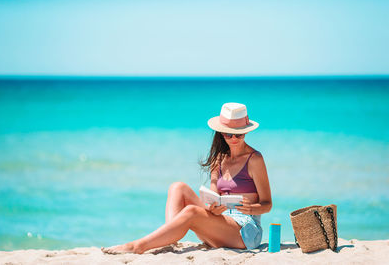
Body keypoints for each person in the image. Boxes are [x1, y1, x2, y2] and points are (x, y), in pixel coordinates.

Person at [102, 102, 272, 254]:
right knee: (178, 187)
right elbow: (212, 199)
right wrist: (213, 208)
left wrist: (251, 209)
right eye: (229, 134)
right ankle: (171, 236)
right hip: (220, 223)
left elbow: (267, 204)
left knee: (191, 212)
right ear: (221, 132)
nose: (234, 138)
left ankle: (137, 246)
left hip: (245, 231)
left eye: (239, 134)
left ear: (245, 132)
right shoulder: (218, 160)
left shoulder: (255, 159)